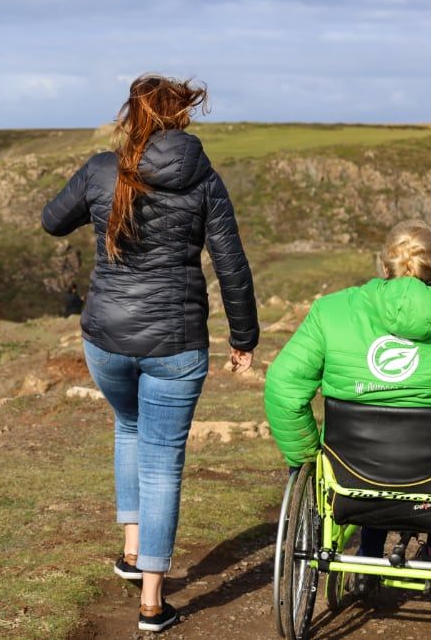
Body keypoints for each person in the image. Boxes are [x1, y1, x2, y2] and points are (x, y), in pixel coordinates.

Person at [42, 74, 259, 632]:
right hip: (176, 343)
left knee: (128, 428)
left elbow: (50, 220)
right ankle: (151, 603)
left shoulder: (101, 170)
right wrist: (244, 340)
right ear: (180, 117)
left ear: (131, 116)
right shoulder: (203, 179)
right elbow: (230, 264)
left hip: (106, 339)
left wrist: (94, 188)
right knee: (162, 461)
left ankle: (133, 552)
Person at [264, 220, 431, 587]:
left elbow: (283, 384)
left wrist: (307, 456)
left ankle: (369, 552)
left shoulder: (331, 312)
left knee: (370, 460)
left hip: (350, 474)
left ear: (382, 264)